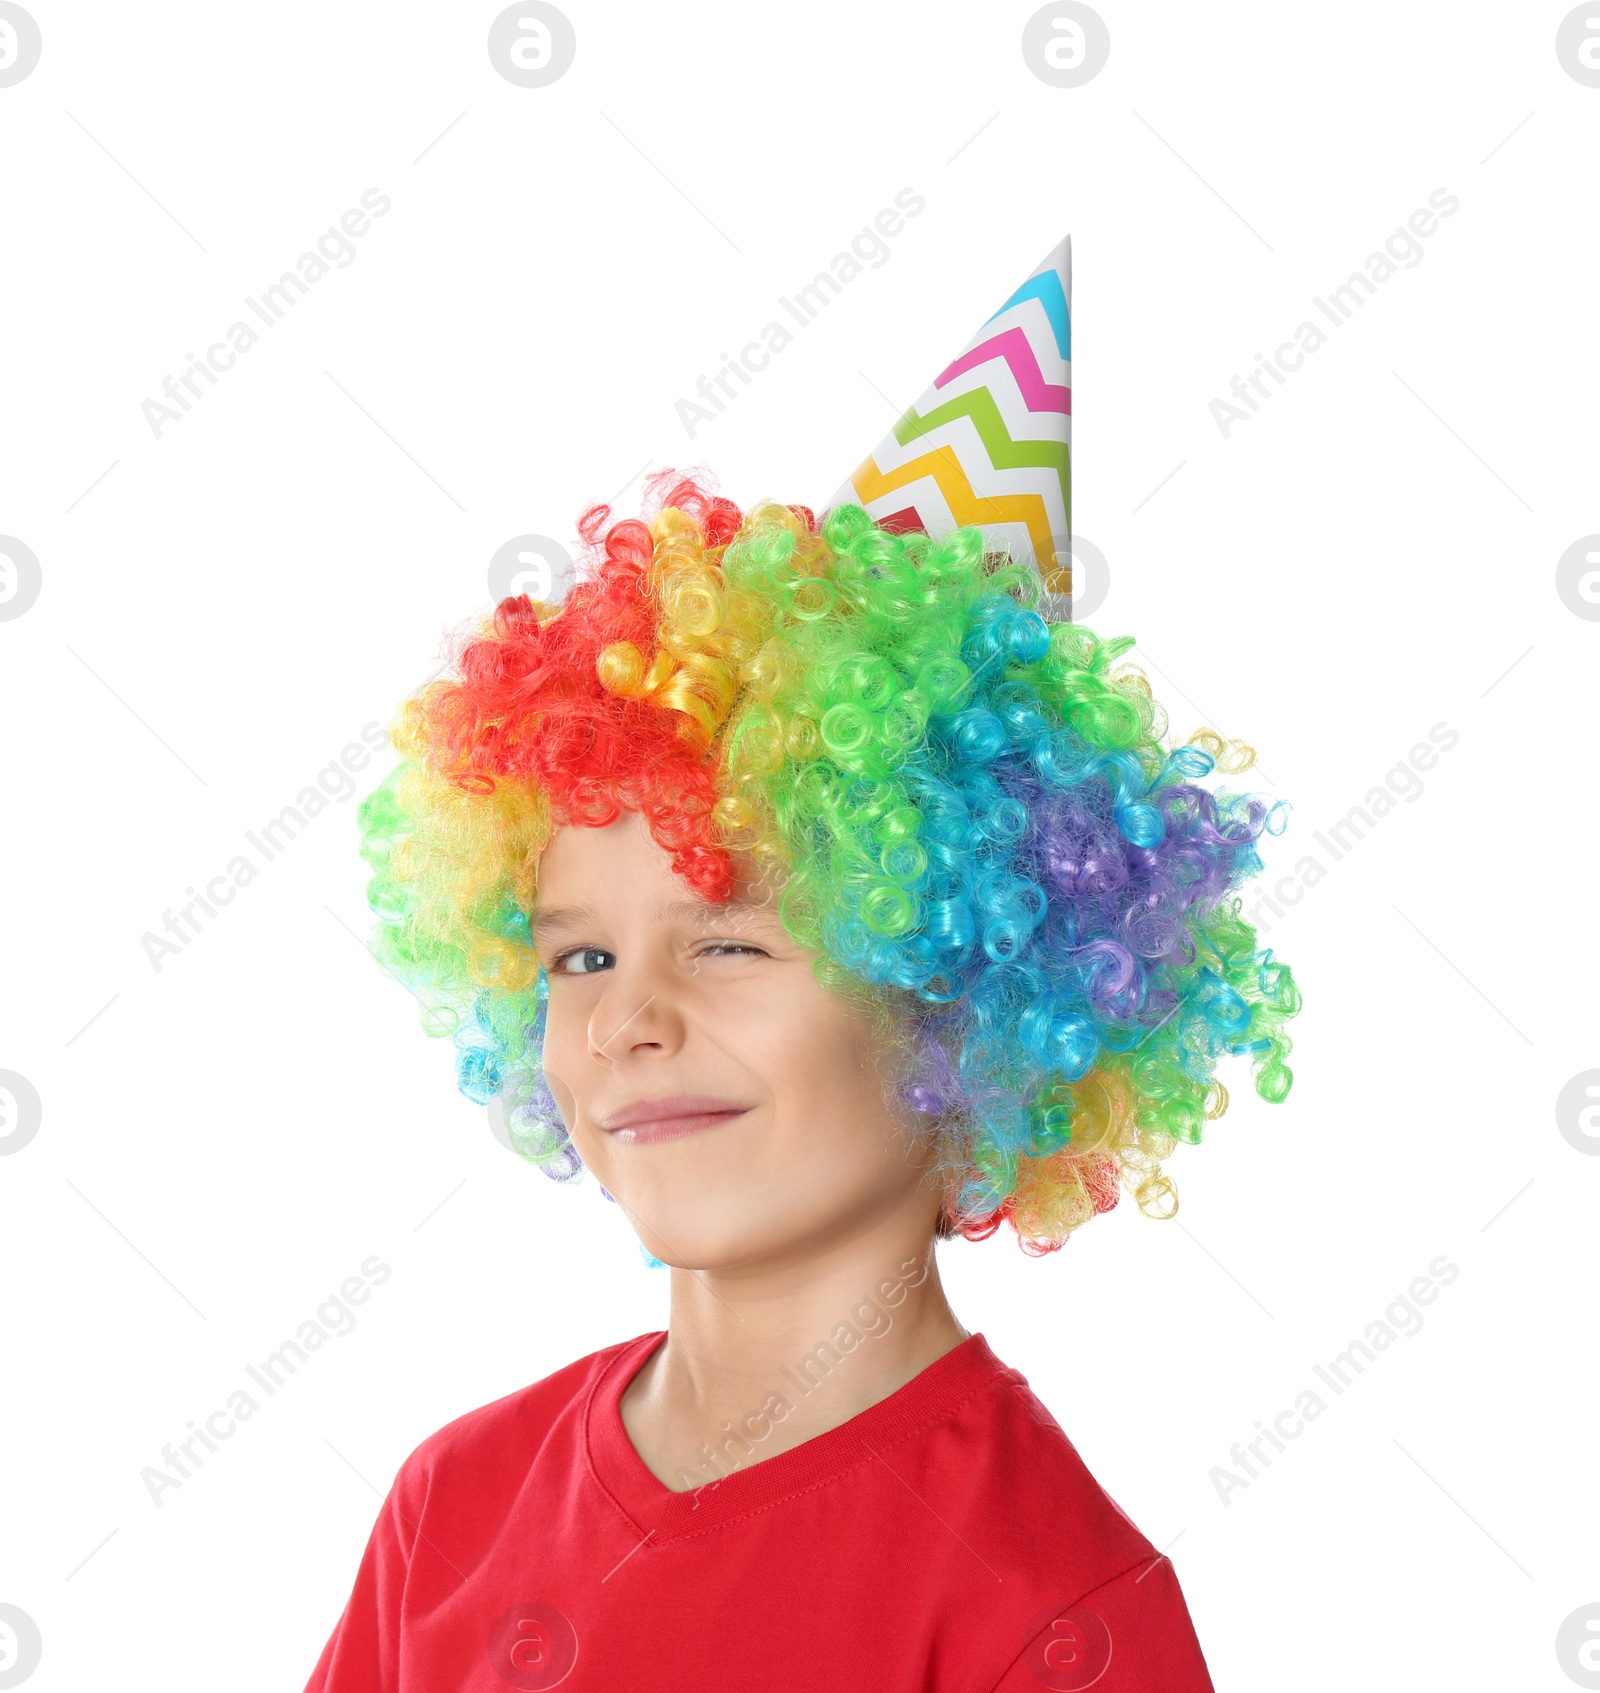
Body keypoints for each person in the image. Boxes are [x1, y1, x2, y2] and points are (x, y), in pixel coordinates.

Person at [303, 475, 1300, 1691]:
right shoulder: (453, 1505)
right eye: (581, 956)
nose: (626, 1019)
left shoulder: (1049, 1612)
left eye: (729, 943)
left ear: (961, 999)